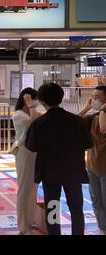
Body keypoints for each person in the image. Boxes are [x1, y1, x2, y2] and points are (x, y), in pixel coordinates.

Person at [25, 83, 93, 235]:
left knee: (53, 207)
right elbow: (88, 145)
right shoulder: (77, 121)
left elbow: (31, 147)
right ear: (62, 98)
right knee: (76, 209)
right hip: (74, 171)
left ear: (42, 101)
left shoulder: (39, 123)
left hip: (50, 173)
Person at [12, 88, 41, 235]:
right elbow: (34, 121)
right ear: (26, 100)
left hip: (34, 153)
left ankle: (30, 220)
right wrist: (30, 104)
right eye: (33, 99)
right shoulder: (18, 114)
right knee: (24, 189)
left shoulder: (31, 112)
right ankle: (23, 226)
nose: (36, 102)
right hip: (24, 153)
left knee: (33, 188)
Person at [78, 86, 106, 235]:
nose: (95, 100)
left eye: (98, 97)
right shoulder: (93, 116)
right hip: (92, 164)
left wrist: (103, 110)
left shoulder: (102, 115)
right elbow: (74, 121)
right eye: (93, 97)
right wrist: (87, 107)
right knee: (96, 200)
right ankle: (102, 227)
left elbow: (103, 129)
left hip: (104, 166)